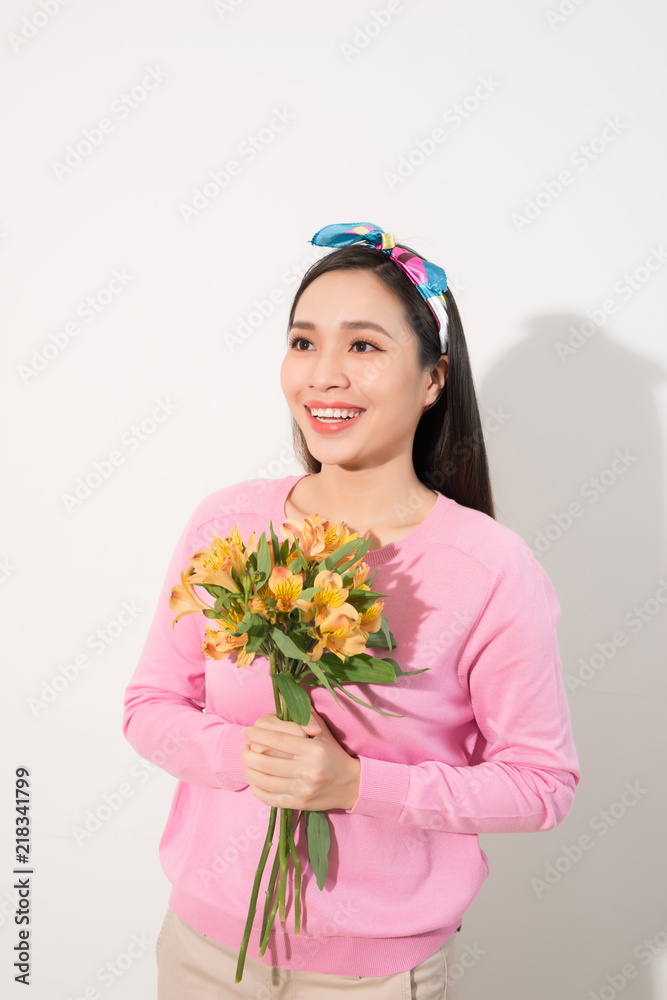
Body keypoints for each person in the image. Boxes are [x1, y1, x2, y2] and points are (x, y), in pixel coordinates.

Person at [122, 222, 581, 999]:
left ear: (433, 379)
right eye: (304, 343)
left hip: (374, 979)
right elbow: (148, 706)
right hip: (203, 952)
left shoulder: (492, 568)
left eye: (363, 347)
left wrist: (357, 784)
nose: (323, 376)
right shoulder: (227, 523)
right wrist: (240, 756)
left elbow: (539, 785)